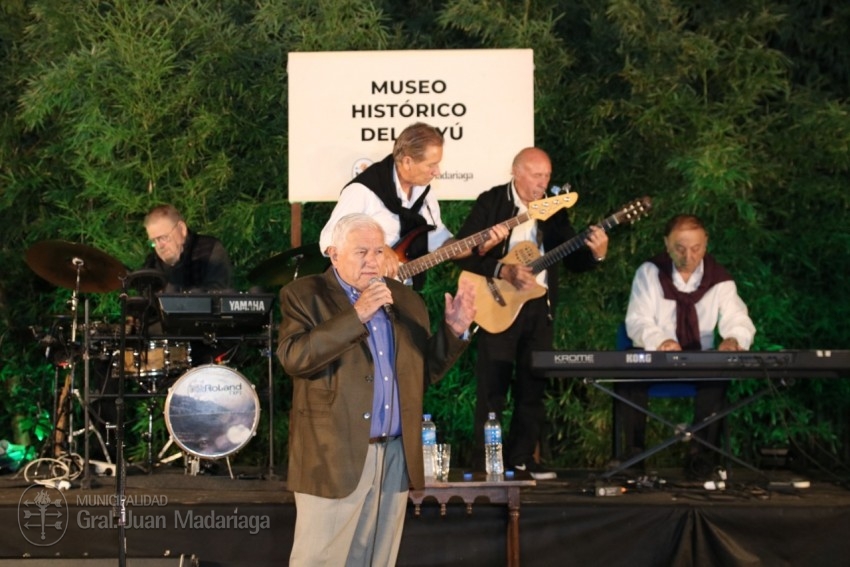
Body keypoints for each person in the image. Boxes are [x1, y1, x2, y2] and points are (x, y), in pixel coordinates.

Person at [277, 213, 476, 566]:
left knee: (378, 560)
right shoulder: (305, 295)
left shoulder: (404, 299)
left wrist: (455, 331)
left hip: (394, 457)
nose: (373, 260)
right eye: (361, 252)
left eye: (378, 251)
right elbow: (295, 357)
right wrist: (357, 315)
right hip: (333, 456)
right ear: (334, 254)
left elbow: (423, 371)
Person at [452, 147, 609, 480]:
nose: (543, 182)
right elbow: (462, 253)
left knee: (533, 384)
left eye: (548, 175)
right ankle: (487, 465)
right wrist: (501, 270)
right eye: (537, 175)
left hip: (538, 306)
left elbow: (571, 256)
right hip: (497, 301)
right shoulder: (491, 202)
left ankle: (523, 458)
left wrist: (595, 255)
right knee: (491, 386)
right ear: (516, 172)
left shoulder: (553, 208)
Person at [619, 214, 756, 477]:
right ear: (667, 244)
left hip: (700, 360)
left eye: (696, 248)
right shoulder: (649, 273)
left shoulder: (720, 279)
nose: (688, 256)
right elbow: (637, 320)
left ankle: (701, 459)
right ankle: (633, 457)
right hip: (657, 356)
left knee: (718, 378)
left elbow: (737, 318)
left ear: (705, 245)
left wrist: (733, 339)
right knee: (629, 374)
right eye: (680, 248)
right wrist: (661, 341)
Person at [318, 122, 454, 289]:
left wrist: (475, 245)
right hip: (359, 292)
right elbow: (328, 239)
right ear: (407, 162)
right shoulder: (363, 190)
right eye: (431, 165)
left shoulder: (426, 195)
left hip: (402, 290)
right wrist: (379, 248)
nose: (437, 172)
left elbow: (436, 239)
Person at [142, 204, 233, 292]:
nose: (159, 246)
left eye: (163, 238)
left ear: (182, 229)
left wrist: (174, 292)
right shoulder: (152, 263)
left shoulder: (209, 250)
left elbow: (217, 295)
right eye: (153, 241)